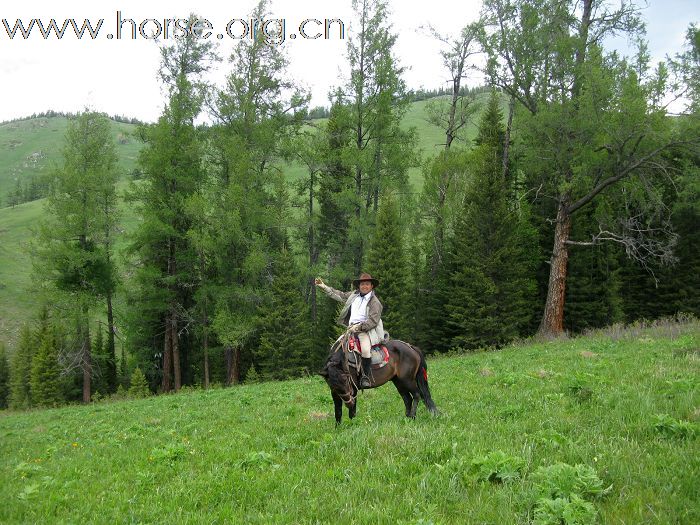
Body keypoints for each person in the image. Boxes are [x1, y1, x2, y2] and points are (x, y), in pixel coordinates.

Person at [315, 273, 385, 388]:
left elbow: (373, 321)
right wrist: (324, 287)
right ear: (359, 286)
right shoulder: (354, 295)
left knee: (366, 351)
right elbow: (340, 295)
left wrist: (358, 327)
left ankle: (365, 377)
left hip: (364, 330)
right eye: (362, 284)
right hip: (350, 329)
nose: (364, 286)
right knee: (335, 346)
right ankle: (329, 371)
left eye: (367, 284)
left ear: (372, 286)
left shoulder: (375, 302)